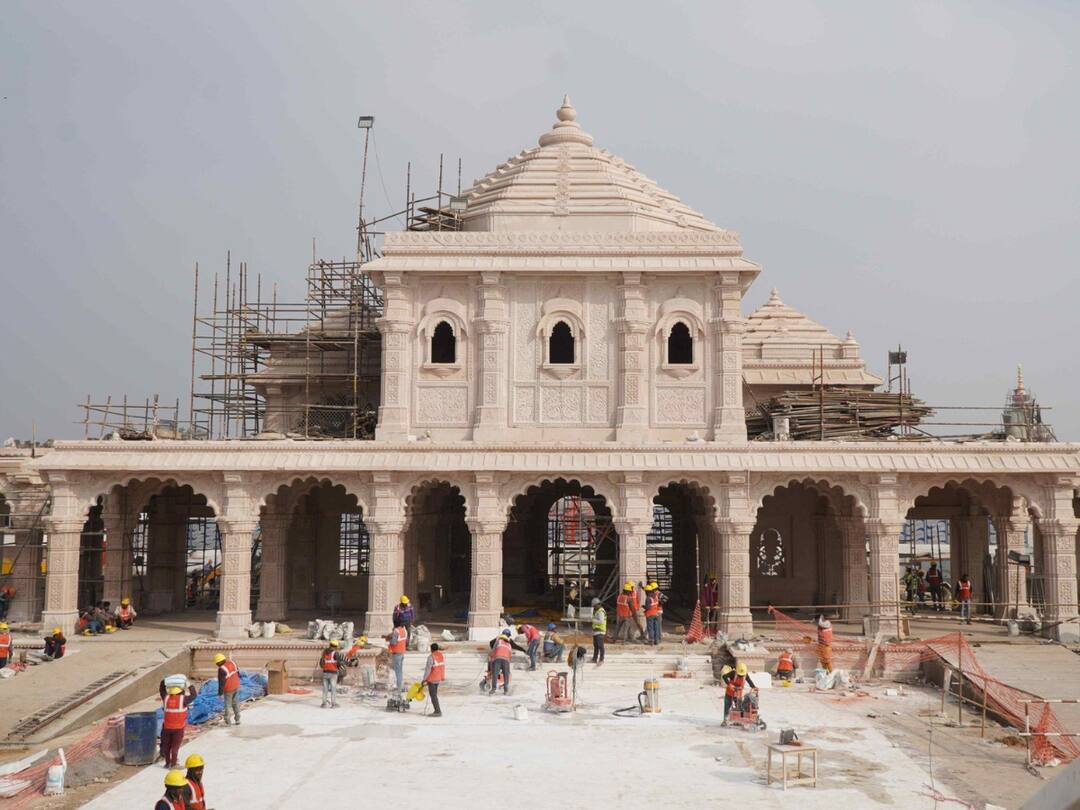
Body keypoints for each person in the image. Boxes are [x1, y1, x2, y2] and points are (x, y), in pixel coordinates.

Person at [158, 680, 198, 768]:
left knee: (167, 746)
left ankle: (167, 763)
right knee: (175, 747)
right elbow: (194, 695)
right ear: (181, 691)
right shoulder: (183, 700)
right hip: (178, 728)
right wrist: (189, 685)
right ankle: (174, 764)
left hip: (166, 727)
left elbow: (162, 690)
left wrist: (164, 681)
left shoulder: (166, 698)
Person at [214, 653, 241, 725]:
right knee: (235, 703)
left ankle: (228, 721)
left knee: (228, 705)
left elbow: (221, 683)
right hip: (236, 685)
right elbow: (238, 673)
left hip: (228, 689)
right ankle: (237, 720)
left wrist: (220, 693)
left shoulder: (221, 669)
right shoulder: (233, 663)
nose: (217, 664)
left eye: (217, 663)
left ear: (218, 662)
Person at [487, 628, 514, 695]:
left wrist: (490, 656)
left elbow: (493, 650)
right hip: (506, 660)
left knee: (495, 674)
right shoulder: (509, 645)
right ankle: (506, 690)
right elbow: (510, 656)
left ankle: (493, 689)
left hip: (497, 659)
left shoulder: (498, 641)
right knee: (506, 675)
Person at [422, 642, 445, 717]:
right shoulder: (441, 655)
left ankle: (437, 711)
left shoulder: (431, 657)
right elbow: (442, 667)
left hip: (432, 679)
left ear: (431, 649)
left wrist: (424, 679)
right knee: (434, 694)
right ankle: (437, 710)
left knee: (433, 695)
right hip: (438, 678)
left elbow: (428, 669)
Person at [320, 639, 343, 708]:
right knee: (333, 689)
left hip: (325, 672)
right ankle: (333, 704)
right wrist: (339, 667)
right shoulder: (335, 653)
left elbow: (321, 663)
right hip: (333, 673)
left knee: (325, 689)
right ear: (335, 646)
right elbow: (338, 663)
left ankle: (324, 704)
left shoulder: (324, 652)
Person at [387, 623, 408, 692]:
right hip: (402, 652)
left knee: (397, 671)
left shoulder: (396, 631)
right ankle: (400, 685)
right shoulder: (404, 630)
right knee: (399, 670)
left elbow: (393, 642)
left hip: (396, 653)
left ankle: (399, 687)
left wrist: (389, 639)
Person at [591, 597, 606, 665]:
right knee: (596, 647)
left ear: (597, 604)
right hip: (596, 631)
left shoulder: (601, 611)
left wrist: (592, 620)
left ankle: (601, 659)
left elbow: (601, 621)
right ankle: (594, 659)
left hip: (600, 631)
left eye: (594, 606)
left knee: (600, 646)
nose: (593, 607)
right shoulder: (597, 611)